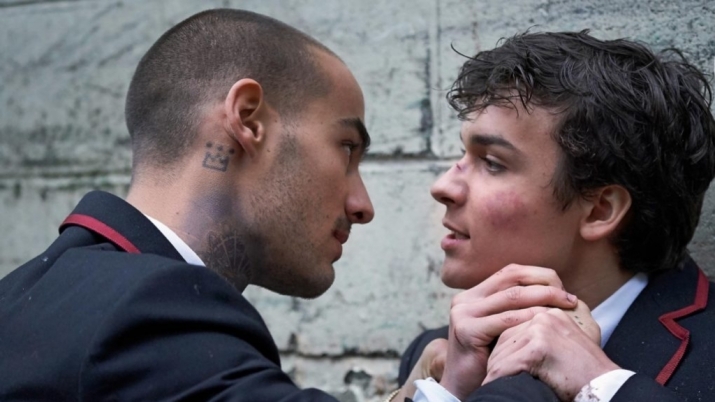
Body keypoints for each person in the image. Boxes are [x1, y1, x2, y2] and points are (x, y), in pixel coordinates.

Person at [399, 30, 715, 402]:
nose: (443, 186)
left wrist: (605, 387)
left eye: (492, 163)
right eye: (463, 154)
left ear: (599, 210)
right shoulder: (440, 358)